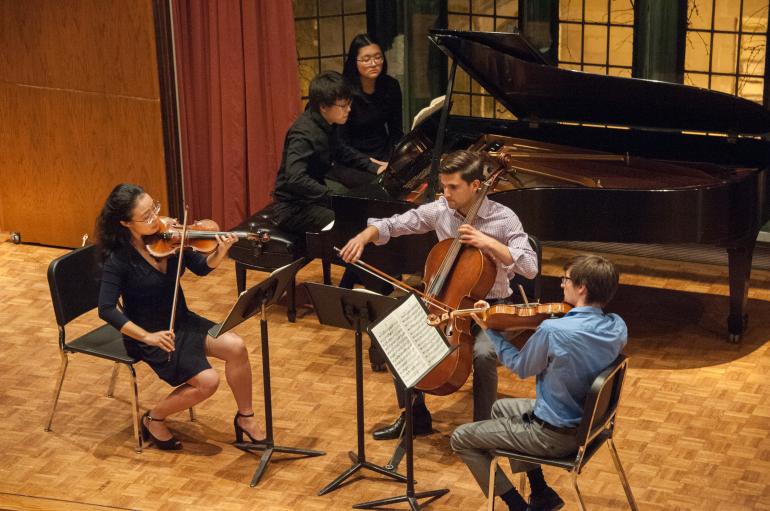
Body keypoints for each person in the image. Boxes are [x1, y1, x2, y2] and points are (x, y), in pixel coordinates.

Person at [339, 150, 538, 439]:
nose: (445, 193)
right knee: (397, 335)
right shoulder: (440, 210)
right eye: (443, 186)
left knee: (483, 354)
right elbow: (394, 224)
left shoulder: (504, 219)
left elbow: (530, 267)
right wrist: (363, 237)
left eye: (453, 187)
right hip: (445, 303)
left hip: (491, 309)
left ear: (476, 186)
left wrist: (488, 243)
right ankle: (415, 418)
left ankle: (482, 430)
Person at [450, 254, 628, 511]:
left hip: (553, 436)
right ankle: (541, 493)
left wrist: (489, 330)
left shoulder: (553, 331)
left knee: (461, 437)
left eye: (565, 280)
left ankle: (516, 506)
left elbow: (521, 367)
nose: (561, 285)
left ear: (582, 288)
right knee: (500, 409)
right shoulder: (617, 326)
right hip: (589, 426)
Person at [96, 184, 265, 450]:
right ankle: (154, 418)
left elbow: (200, 267)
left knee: (237, 346)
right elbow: (106, 308)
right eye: (147, 216)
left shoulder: (171, 239)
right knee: (208, 382)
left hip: (182, 320)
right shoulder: (119, 260)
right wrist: (148, 337)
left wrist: (221, 251)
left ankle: (246, 417)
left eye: (155, 208)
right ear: (126, 223)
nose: (157, 219)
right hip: (153, 335)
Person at [272, 70, 386, 235]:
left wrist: (374, 167)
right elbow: (295, 178)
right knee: (350, 222)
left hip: (312, 199)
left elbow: (341, 151)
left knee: (361, 208)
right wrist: (332, 196)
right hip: (292, 208)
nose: (348, 109)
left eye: (349, 103)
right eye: (343, 106)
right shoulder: (303, 134)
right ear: (323, 106)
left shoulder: (327, 123)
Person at [332, 33, 403, 188]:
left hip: (383, 153)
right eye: (366, 59)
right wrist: (372, 165)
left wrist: (393, 158)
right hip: (351, 160)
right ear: (354, 62)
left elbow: (396, 131)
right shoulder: (343, 92)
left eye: (378, 57)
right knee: (381, 186)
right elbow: (340, 145)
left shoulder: (391, 86)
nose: (373, 63)